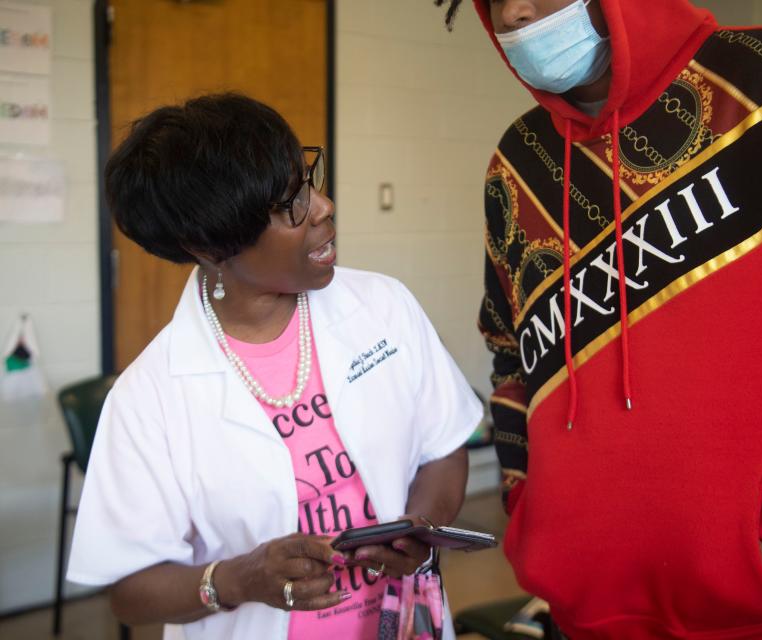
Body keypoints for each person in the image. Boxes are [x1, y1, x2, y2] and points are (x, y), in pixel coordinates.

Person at [434, 0, 762, 638]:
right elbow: (510, 351)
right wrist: (528, 505)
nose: (515, 11)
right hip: (586, 614)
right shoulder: (516, 164)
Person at [66, 93, 482, 640]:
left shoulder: (383, 307)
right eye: (290, 205)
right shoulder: (149, 396)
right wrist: (240, 579)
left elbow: (443, 448)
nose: (324, 206)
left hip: (401, 623)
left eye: (307, 183)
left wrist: (417, 530)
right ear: (211, 244)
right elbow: (130, 591)